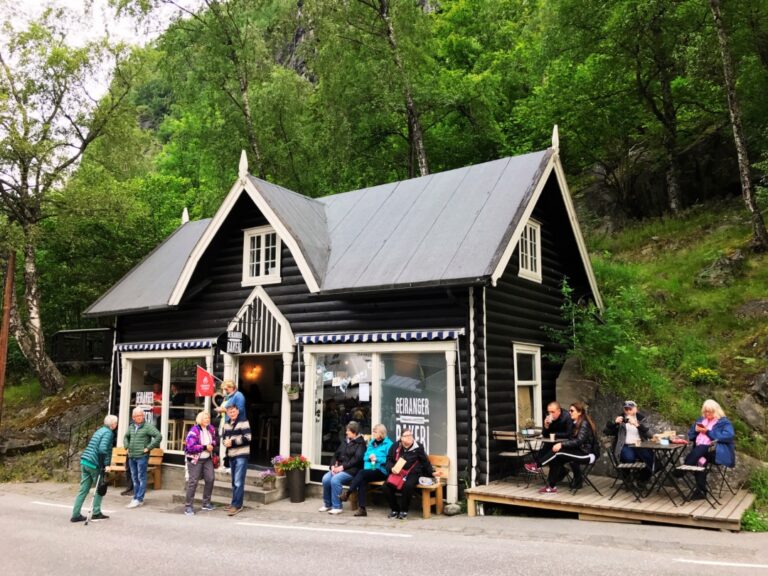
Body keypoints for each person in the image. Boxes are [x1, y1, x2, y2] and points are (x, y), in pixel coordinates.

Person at [538, 401, 599, 494]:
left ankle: (537, 465)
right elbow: (570, 437)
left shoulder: (584, 424)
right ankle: (551, 487)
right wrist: (547, 426)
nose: (569, 412)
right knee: (557, 459)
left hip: (587, 454)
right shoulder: (576, 423)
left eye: (572, 411)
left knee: (559, 452)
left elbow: (578, 441)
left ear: (579, 412)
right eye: (569, 410)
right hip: (579, 451)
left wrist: (561, 444)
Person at [682, 399, 735, 500]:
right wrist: (697, 431)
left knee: (701, 451)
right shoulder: (700, 420)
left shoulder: (723, 422)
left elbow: (729, 436)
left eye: (709, 411)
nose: (707, 414)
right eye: (705, 411)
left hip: (716, 452)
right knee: (700, 457)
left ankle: (686, 466)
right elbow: (691, 436)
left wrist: (707, 432)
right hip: (702, 452)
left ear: (716, 411)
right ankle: (701, 491)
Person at [71, 414, 118, 522]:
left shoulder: (100, 430)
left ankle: (75, 514)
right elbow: (102, 449)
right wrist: (106, 464)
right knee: (100, 488)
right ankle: (96, 513)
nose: (116, 424)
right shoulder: (108, 433)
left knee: (83, 490)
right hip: (94, 463)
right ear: (113, 424)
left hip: (85, 461)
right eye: (116, 422)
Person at [381, 428, 437, 520]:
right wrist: (391, 468)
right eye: (406, 436)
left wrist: (432, 473)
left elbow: (425, 461)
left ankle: (404, 510)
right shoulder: (395, 446)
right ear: (401, 438)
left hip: (413, 473)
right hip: (398, 473)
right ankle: (395, 509)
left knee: (408, 485)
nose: (409, 438)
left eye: (410, 435)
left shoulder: (418, 447)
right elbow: (389, 460)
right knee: (386, 486)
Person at [340, 423, 393, 517]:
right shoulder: (372, 443)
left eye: (375, 432)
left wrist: (377, 459)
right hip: (370, 469)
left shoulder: (389, 444)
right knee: (362, 480)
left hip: (382, 471)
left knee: (361, 473)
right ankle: (362, 509)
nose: (373, 433)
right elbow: (364, 457)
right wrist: (370, 458)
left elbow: (390, 460)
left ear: (381, 433)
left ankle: (348, 493)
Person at [318, 421, 366, 515]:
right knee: (326, 479)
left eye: (348, 431)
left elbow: (356, 460)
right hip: (339, 468)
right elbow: (335, 455)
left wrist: (342, 467)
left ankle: (337, 507)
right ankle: (328, 504)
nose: (346, 432)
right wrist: (332, 466)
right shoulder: (345, 441)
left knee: (335, 480)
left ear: (354, 432)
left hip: (352, 471)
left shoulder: (361, 444)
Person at [603, 400, 654, 480]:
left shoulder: (641, 418)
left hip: (640, 445)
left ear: (635, 409)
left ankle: (642, 479)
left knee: (651, 459)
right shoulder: (620, 418)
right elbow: (606, 432)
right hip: (625, 445)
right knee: (629, 458)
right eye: (626, 409)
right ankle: (627, 479)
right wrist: (615, 423)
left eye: (630, 409)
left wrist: (637, 425)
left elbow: (650, 435)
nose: (628, 411)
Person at [124, 406, 162, 509]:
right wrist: (126, 446)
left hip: (142, 457)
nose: (139, 417)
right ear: (133, 417)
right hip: (131, 456)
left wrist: (148, 448)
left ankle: (139, 498)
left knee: (141, 477)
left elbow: (158, 436)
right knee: (134, 478)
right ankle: (136, 497)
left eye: (141, 415)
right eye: (137, 416)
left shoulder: (147, 426)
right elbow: (126, 437)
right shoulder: (131, 426)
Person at [183, 411, 218, 516]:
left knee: (210, 478)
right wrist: (204, 447)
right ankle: (188, 507)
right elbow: (190, 447)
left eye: (208, 418)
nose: (207, 419)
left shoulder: (211, 429)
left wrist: (212, 444)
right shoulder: (194, 431)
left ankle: (206, 503)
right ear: (199, 420)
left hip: (207, 459)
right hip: (195, 459)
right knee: (193, 482)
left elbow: (215, 440)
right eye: (205, 418)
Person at [525, 401, 574, 472]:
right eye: (549, 412)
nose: (550, 414)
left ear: (559, 411)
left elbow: (569, 434)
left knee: (552, 451)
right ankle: (536, 466)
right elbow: (545, 435)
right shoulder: (548, 417)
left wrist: (554, 434)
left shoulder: (567, 417)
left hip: (565, 443)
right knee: (545, 447)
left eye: (553, 412)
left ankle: (537, 466)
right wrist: (546, 426)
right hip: (553, 442)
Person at [222, 404, 251, 516]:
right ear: (227, 413)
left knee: (238, 481)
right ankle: (234, 502)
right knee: (234, 481)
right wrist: (225, 442)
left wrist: (232, 442)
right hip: (231, 455)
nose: (232, 413)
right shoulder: (226, 424)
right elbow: (224, 439)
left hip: (241, 454)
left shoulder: (244, 422)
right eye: (230, 412)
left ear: (238, 411)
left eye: (233, 411)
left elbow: (248, 438)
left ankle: (237, 505)